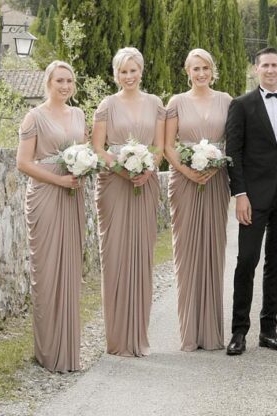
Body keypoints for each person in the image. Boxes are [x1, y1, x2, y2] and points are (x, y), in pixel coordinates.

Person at [225, 47, 277, 356]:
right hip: (253, 194)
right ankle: (239, 331)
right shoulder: (241, 105)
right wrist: (240, 194)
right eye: (264, 65)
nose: (270, 70)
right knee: (247, 260)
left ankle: (268, 329)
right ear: (256, 69)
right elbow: (234, 152)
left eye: (275, 64)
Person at [92, 46, 166, 357]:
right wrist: (121, 168)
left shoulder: (156, 104)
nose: (129, 76)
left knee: (142, 254)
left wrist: (148, 168)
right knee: (116, 255)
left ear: (141, 70)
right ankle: (118, 339)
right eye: (123, 71)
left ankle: (138, 336)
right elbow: (97, 148)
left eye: (133, 70)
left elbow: (160, 147)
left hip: (146, 183)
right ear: (116, 74)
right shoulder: (106, 106)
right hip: (114, 184)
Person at [16, 60, 87, 372]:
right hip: (46, 195)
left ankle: (69, 351)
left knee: (70, 268)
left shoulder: (79, 114)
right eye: (59, 80)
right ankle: (46, 352)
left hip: (73, 196)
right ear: (48, 83)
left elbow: (85, 152)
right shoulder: (34, 116)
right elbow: (23, 163)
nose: (65, 86)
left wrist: (84, 168)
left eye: (69, 81)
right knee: (46, 271)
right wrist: (58, 179)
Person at [164, 48, 232, 351]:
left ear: (213, 70)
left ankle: (212, 332)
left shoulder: (227, 100)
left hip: (216, 180)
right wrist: (187, 171)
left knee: (214, 251)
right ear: (187, 71)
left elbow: (232, 141)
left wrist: (217, 164)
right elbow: (167, 145)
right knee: (187, 251)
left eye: (205, 67)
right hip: (184, 181)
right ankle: (190, 332)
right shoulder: (176, 102)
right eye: (195, 69)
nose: (201, 73)